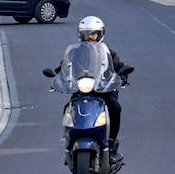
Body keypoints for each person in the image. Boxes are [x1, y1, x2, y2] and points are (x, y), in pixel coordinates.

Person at [51, 15, 130, 162]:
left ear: (100, 34)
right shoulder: (74, 52)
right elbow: (63, 67)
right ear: (81, 35)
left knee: (114, 107)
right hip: (80, 91)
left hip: (102, 91)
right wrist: (58, 77)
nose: (90, 37)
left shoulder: (107, 52)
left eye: (93, 34)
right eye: (86, 34)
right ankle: (70, 143)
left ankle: (111, 145)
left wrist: (123, 77)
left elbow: (118, 68)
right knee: (68, 108)